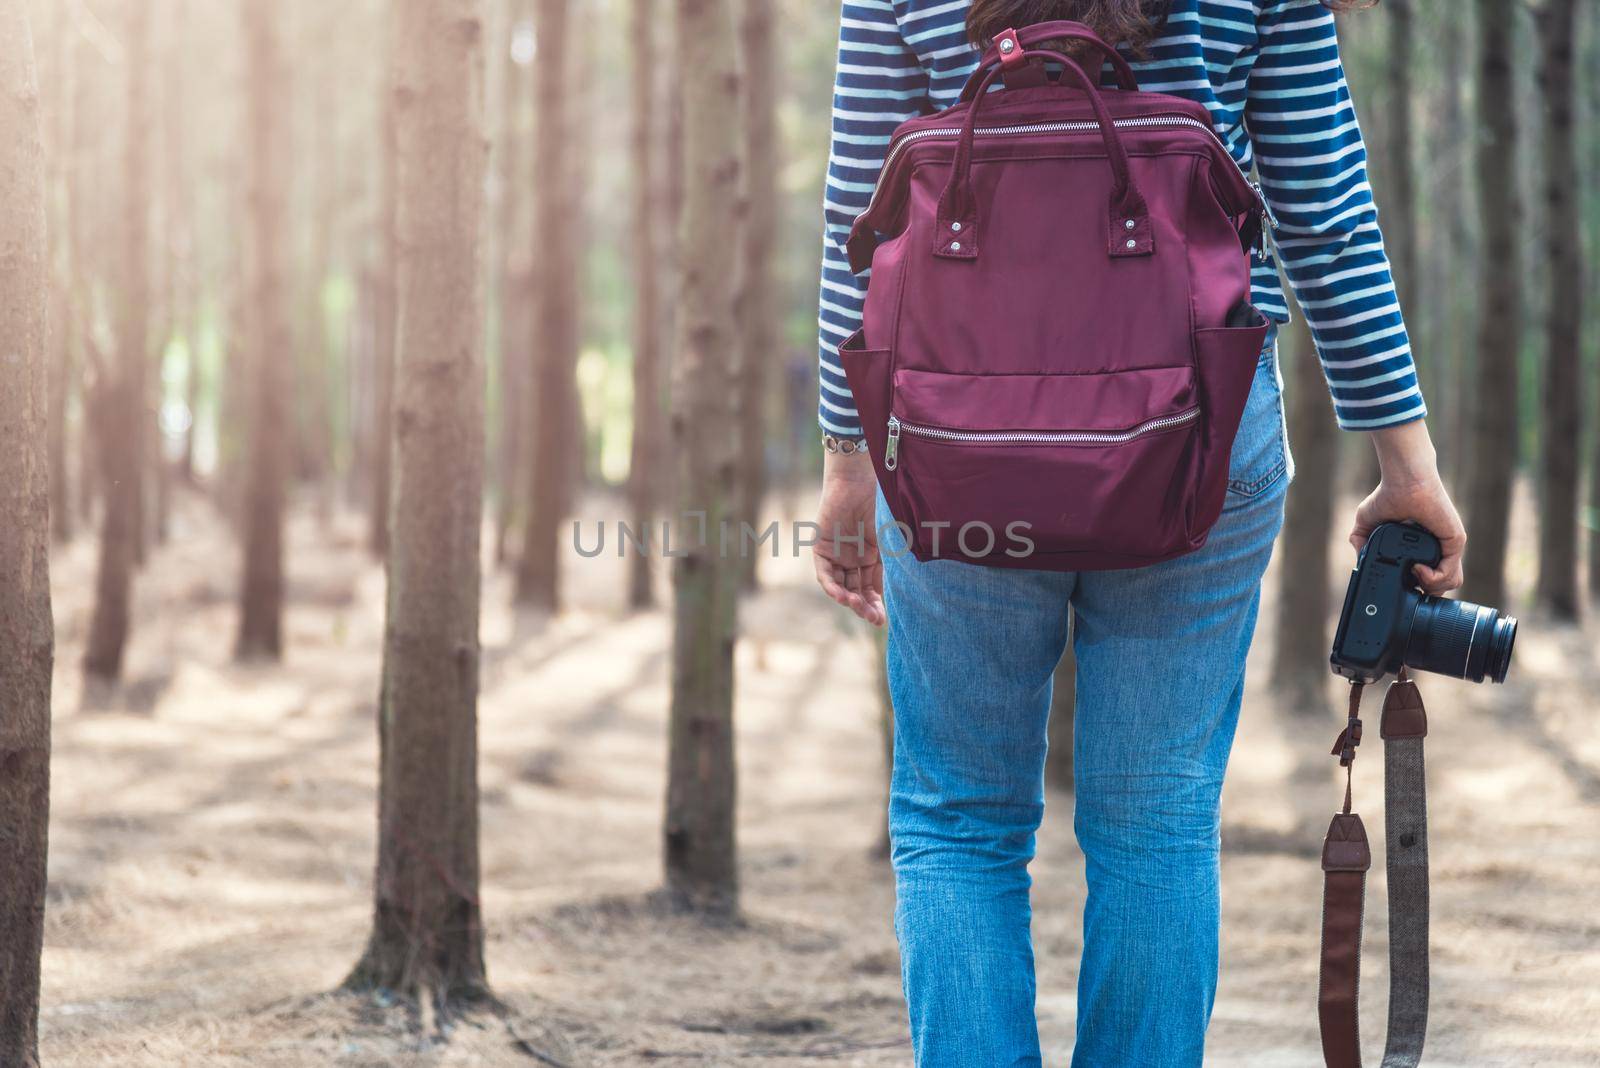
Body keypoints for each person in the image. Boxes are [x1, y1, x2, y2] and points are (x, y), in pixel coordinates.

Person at [809, 1, 1468, 1065]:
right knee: (1156, 822)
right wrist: (1406, 458)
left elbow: (859, 199)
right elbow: (1319, 197)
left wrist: (847, 453)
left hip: (950, 427)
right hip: (1195, 429)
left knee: (957, 821)